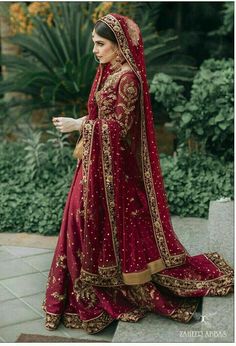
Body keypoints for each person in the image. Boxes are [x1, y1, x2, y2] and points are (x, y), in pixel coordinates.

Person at [42, 13, 234, 334]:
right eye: (93, 43)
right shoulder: (109, 71)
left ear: (120, 47)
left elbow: (120, 129)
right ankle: (81, 292)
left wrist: (80, 126)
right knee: (77, 219)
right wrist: (83, 122)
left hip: (113, 173)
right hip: (94, 166)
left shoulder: (128, 78)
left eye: (101, 44)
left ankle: (103, 289)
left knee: (83, 219)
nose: (95, 50)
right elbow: (104, 114)